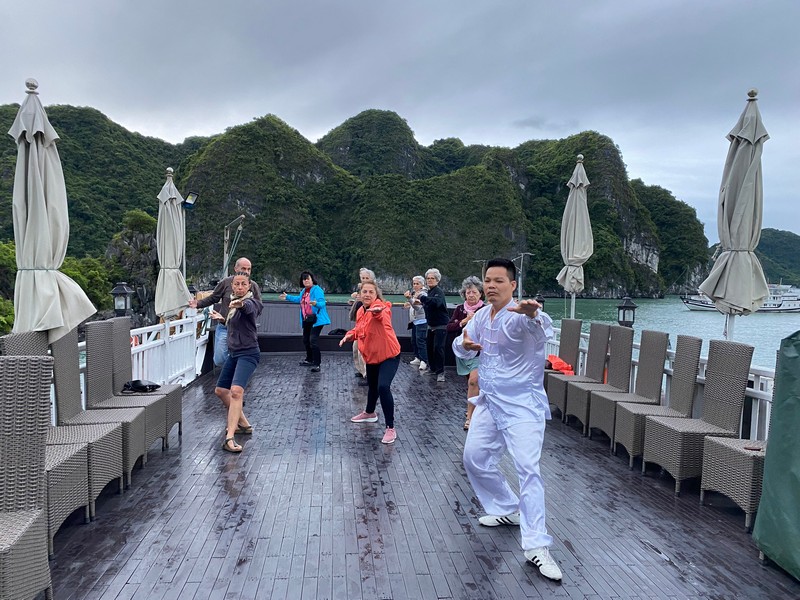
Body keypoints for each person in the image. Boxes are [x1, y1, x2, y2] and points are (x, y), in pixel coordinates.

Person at [453, 257, 563, 582]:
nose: (491, 285)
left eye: (499, 280)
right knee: (473, 458)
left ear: (512, 285)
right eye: (488, 279)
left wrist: (534, 314)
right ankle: (506, 507)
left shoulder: (519, 316)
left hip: (521, 406)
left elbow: (541, 326)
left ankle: (536, 546)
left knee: (528, 469)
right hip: (489, 402)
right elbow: (462, 346)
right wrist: (464, 344)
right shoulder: (481, 316)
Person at [340, 280, 401, 444]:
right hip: (372, 356)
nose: (367, 295)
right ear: (360, 295)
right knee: (373, 386)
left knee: (383, 386)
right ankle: (369, 413)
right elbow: (360, 328)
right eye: (364, 292)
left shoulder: (382, 307)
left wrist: (377, 312)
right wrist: (349, 335)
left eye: (370, 292)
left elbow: (383, 315)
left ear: (376, 295)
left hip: (389, 355)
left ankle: (390, 428)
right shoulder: (360, 310)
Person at [215, 271, 263, 453]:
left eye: (244, 284)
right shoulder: (230, 305)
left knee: (236, 392)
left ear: (249, 286)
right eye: (237, 284)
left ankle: (230, 437)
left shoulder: (252, 302)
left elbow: (248, 309)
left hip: (248, 353)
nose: (240, 287)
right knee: (220, 391)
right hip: (234, 353)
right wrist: (222, 318)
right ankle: (244, 424)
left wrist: (241, 304)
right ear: (232, 286)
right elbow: (235, 325)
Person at [191, 257, 262, 366]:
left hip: (243, 329)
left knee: (243, 356)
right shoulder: (225, 283)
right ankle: (234, 368)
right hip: (225, 326)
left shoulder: (253, 285)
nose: (246, 272)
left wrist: (246, 312)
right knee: (219, 359)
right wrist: (198, 304)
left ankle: (236, 373)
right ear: (235, 268)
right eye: (244, 268)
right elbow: (213, 298)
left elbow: (258, 306)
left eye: (249, 269)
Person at [446, 276, 485, 430]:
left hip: (479, 352)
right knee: (471, 381)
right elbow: (449, 327)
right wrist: (464, 321)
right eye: (468, 292)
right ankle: (474, 406)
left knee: (473, 381)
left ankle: (470, 417)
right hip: (463, 350)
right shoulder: (460, 309)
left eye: (474, 292)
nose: (471, 295)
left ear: (480, 294)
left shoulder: (485, 309)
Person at [280, 271, 331, 372]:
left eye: (308, 278)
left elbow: (322, 303)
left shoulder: (317, 289)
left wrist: (316, 303)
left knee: (313, 341)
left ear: (312, 279)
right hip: (307, 319)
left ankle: (317, 364)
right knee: (306, 340)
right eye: (304, 279)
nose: (306, 280)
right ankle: (309, 359)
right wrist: (287, 297)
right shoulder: (303, 291)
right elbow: (299, 299)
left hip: (316, 320)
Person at [418, 268, 449, 382]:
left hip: (441, 325)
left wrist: (422, 298)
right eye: (428, 278)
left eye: (432, 278)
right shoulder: (429, 292)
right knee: (430, 348)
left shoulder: (438, 292)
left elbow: (436, 302)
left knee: (438, 348)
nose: (430, 280)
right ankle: (433, 369)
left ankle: (440, 372)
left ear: (437, 280)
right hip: (431, 325)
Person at [348, 268, 375, 380]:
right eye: (362, 278)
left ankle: (367, 375)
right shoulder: (361, 289)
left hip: (368, 325)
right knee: (356, 349)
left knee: (363, 351)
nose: (364, 280)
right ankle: (360, 370)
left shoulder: (373, 290)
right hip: (359, 324)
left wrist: (360, 298)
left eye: (366, 278)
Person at [403, 275, 428, 371]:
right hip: (414, 321)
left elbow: (418, 307)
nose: (415, 285)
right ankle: (417, 357)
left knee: (420, 341)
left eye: (417, 284)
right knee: (414, 340)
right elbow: (413, 304)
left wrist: (409, 299)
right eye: (414, 283)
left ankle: (424, 360)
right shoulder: (415, 293)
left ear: (422, 285)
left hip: (422, 321)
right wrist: (409, 303)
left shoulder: (423, 295)